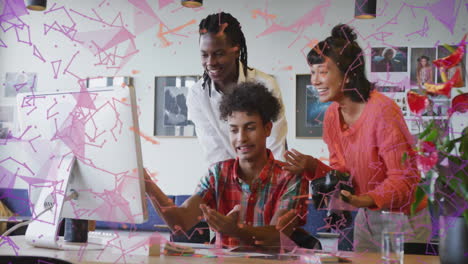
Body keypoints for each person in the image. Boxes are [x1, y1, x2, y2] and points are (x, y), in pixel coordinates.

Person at [282, 24, 431, 252]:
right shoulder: (333, 114)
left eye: (323, 72)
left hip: (404, 218)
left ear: (349, 75)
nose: (314, 80)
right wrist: (312, 166)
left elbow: (404, 178)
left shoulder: (382, 111)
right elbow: (343, 175)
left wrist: (364, 199)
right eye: (313, 72)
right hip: (367, 215)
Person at [145, 82, 308, 248]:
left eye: (250, 128)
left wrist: (236, 230)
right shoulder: (217, 174)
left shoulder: (291, 177)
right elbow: (180, 223)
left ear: (267, 129)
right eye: (234, 130)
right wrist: (147, 184)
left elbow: (276, 236)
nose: (241, 138)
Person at [187, 12, 287, 166]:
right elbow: (214, 151)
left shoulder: (266, 84)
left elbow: (275, 144)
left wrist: (270, 184)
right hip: (227, 179)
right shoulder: (197, 94)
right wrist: (232, 183)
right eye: (204, 55)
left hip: (270, 178)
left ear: (236, 50)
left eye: (219, 54)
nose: (210, 62)